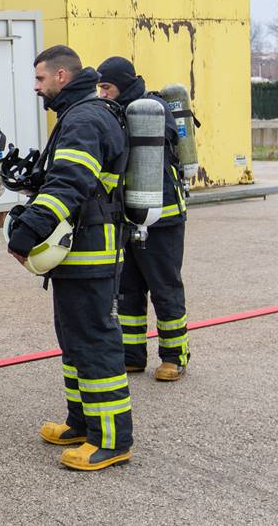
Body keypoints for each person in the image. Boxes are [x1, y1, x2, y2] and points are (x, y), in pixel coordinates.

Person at [4, 46, 133, 471]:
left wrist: (27, 231)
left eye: (40, 78)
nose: (36, 87)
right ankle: (82, 422)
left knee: (94, 342)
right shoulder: (79, 114)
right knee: (75, 340)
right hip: (79, 249)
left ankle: (111, 440)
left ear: (62, 76)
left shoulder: (84, 118)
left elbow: (70, 182)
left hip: (90, 249)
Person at [96, 56, 190, 381]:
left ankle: (175, 356)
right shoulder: (114, 112)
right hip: (128, 215)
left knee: (164, 287)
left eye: (106, 87)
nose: (102, 94)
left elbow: (168, 137)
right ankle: (132, 355)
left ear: (122, 84)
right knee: (128, 288)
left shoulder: (154, 109)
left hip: (163, 215)